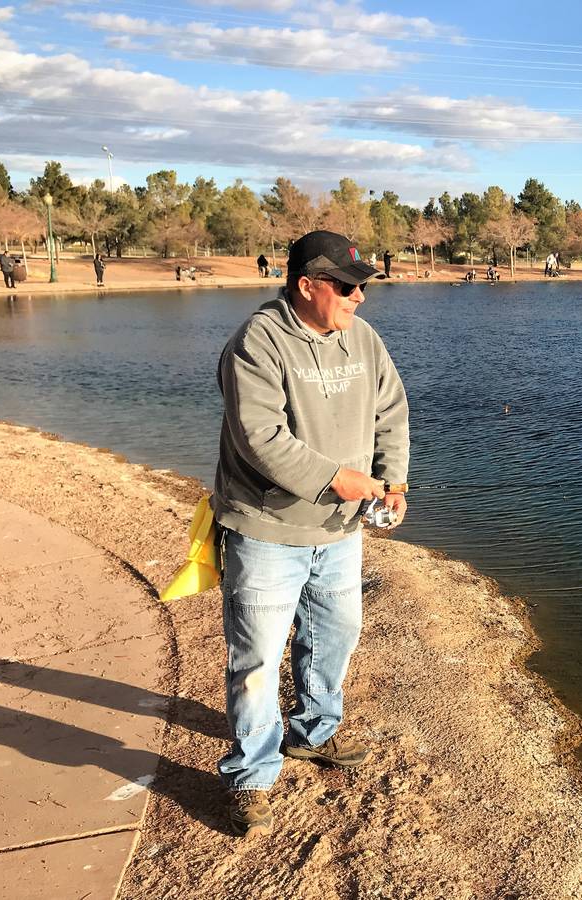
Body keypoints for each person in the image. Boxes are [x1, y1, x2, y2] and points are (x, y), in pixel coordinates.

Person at [212, 230, 409, 838]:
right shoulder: (258, 342)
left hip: (339, 530)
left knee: (336, 633)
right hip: (266, 528)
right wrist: (336, 479)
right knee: (258, 658)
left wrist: (392, 481)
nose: (360, 298)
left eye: (363, 286)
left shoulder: (362, 339)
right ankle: (250, 775)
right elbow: (260, 437)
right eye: (348, 287)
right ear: (307, 285)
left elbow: (391, 410)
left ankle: (314, 733)